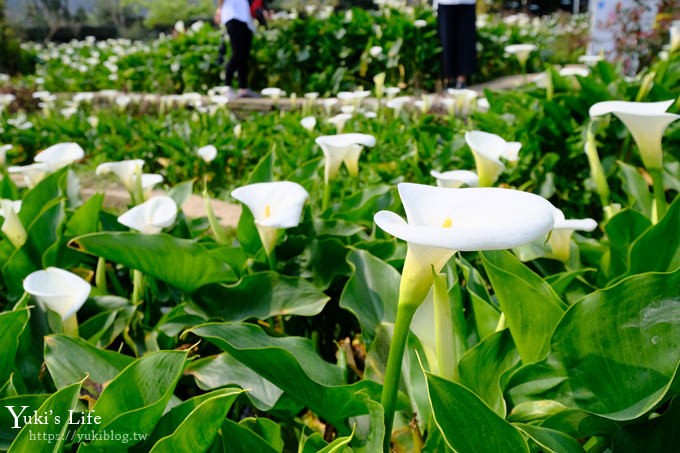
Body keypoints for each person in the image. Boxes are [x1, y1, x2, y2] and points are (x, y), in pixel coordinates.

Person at [214, 0, 260, 98]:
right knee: (237, 53)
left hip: (246, 17)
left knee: (244, 54)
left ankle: (243, 88)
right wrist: (219, 9)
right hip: (233, 15)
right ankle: (227, 86)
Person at [435, 0, 477, 89]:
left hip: (466, 3)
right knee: (446, 39)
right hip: (446, 2)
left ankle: (462, 78)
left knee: (466, 39)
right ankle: (449, 79)